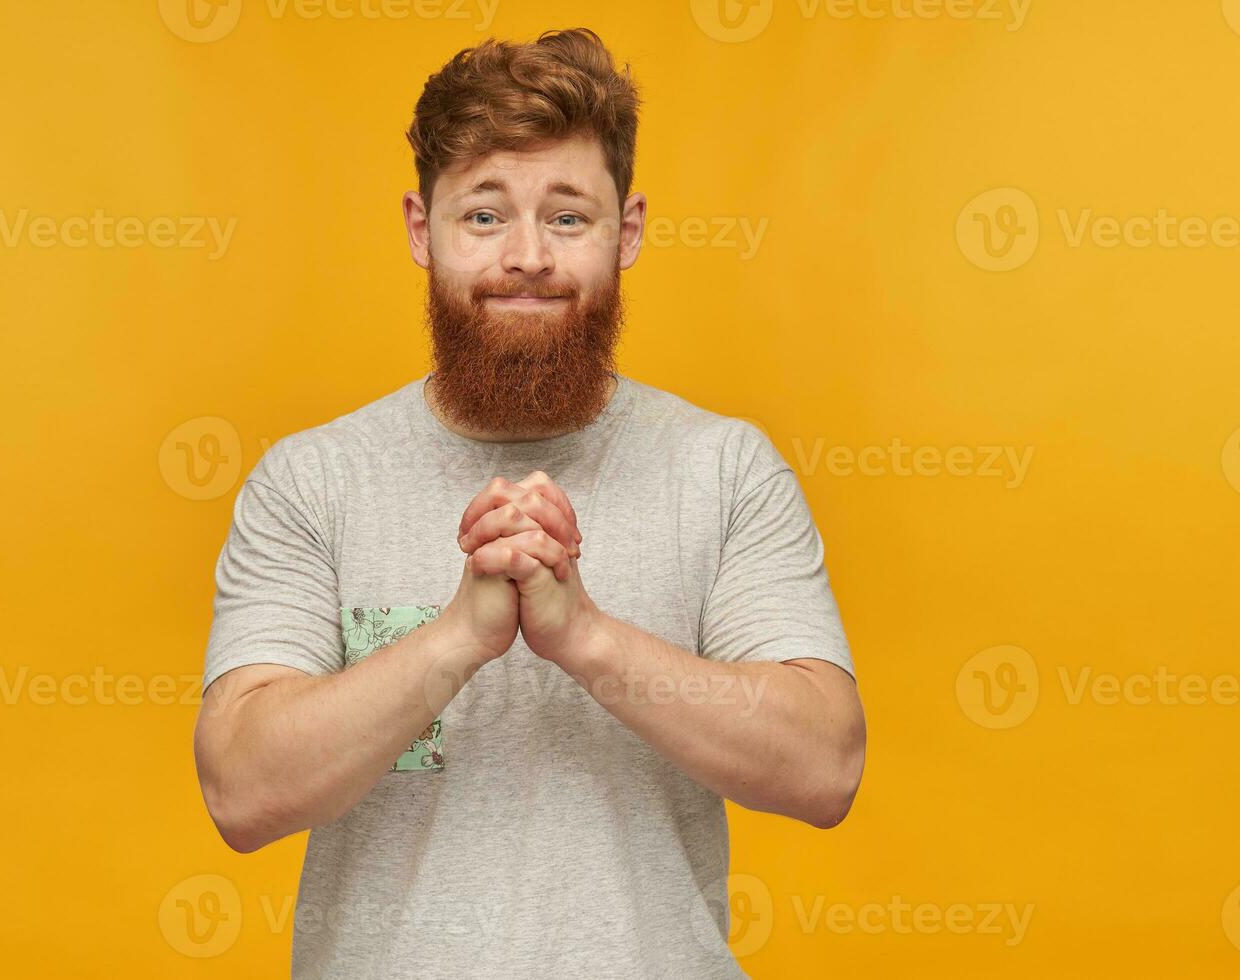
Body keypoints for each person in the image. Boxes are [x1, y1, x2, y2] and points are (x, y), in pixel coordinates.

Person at [192, 26, 865, 979]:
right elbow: (242, 790)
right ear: (422, 229)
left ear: (625, 231)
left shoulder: (723, 470)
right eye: (482, 217)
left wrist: (583, 636)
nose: (527, 257)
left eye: (566, 217)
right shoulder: (312, 481)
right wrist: (456, 637)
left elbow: (826, 769)